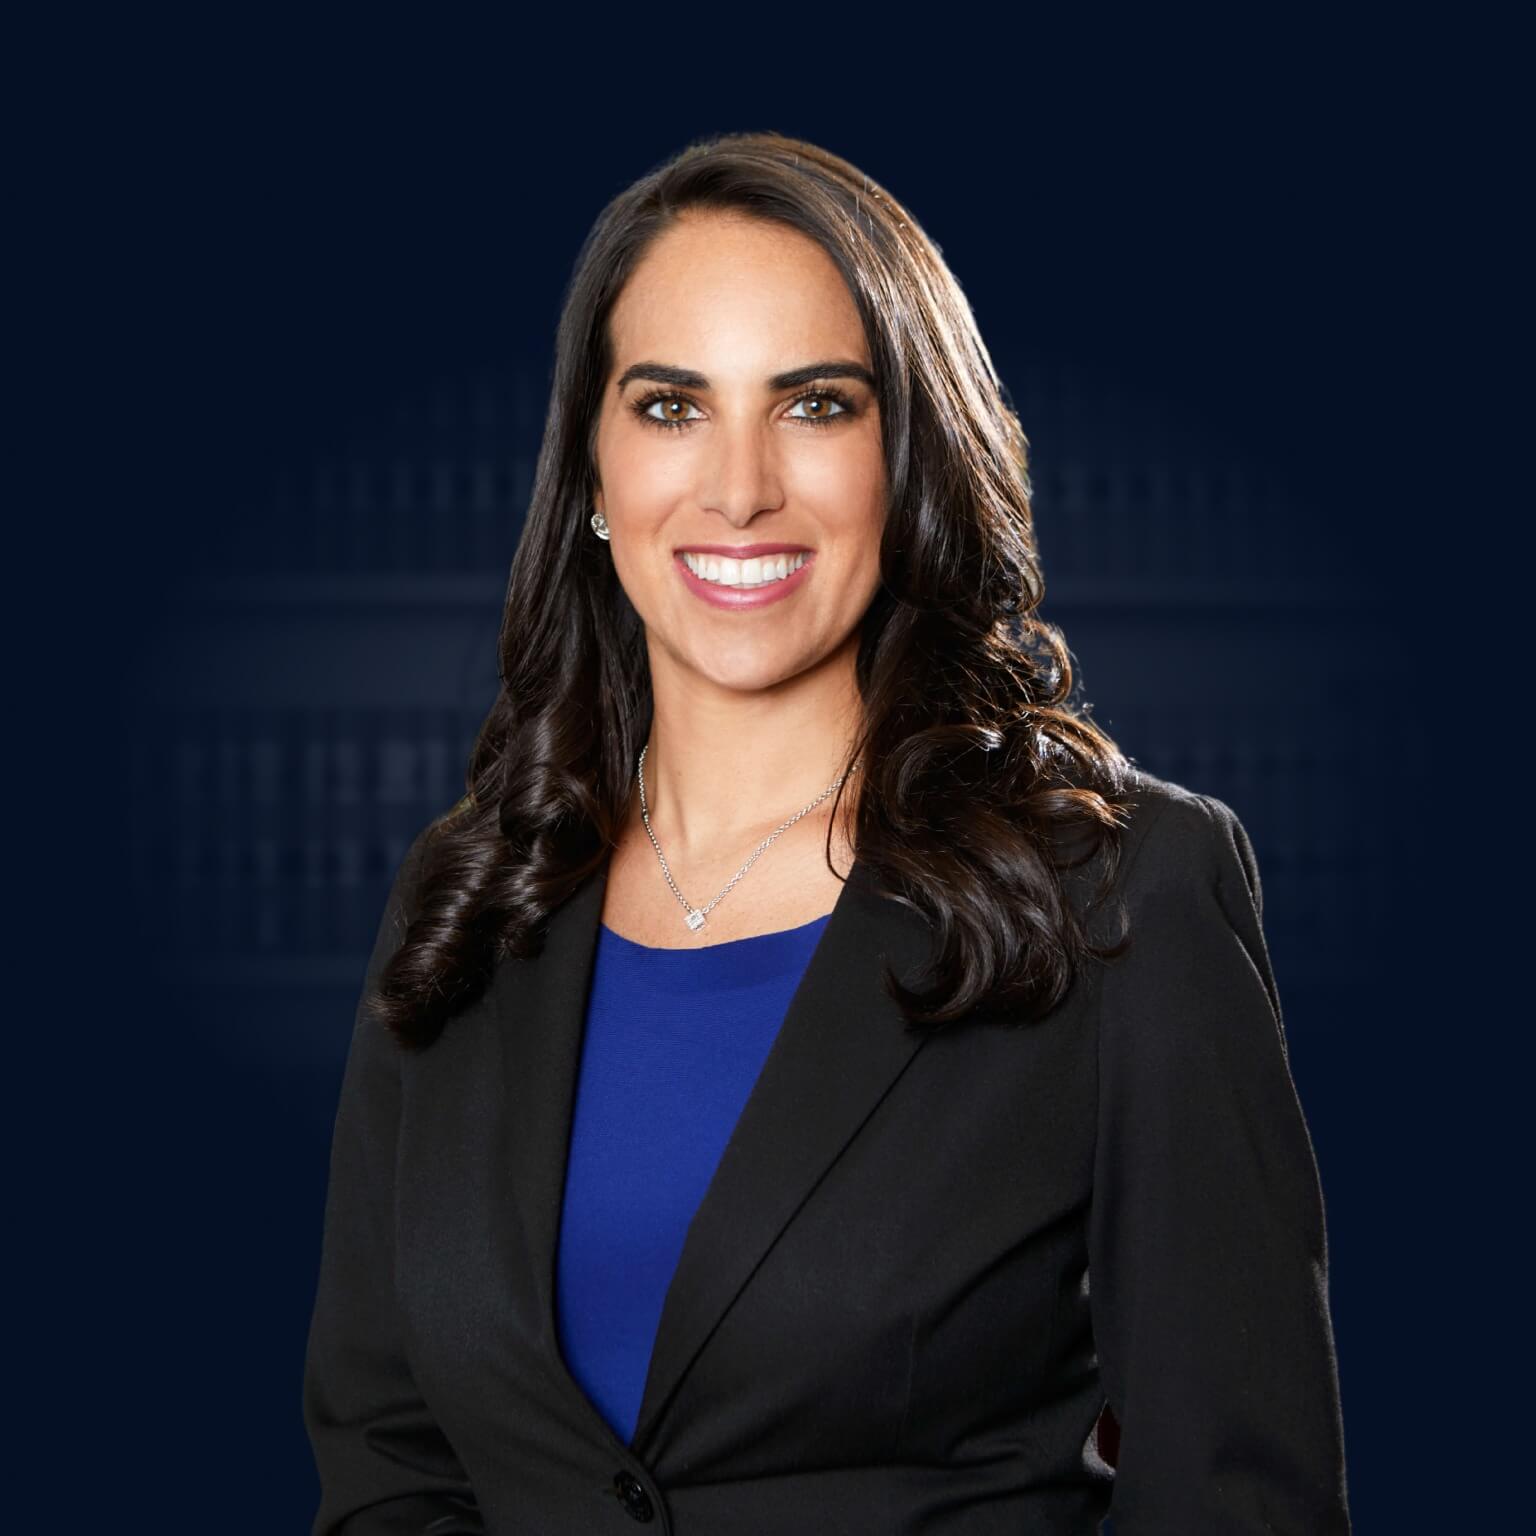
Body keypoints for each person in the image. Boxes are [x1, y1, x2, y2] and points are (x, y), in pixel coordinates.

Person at [302, 131, 1352, 1534]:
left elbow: (1239, 1503)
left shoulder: (1123, 898)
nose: (738, 487)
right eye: (671, 407)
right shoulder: (468, 902)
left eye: (814, 405)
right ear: (595, 476)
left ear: (907, 455)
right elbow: (387, 1462)